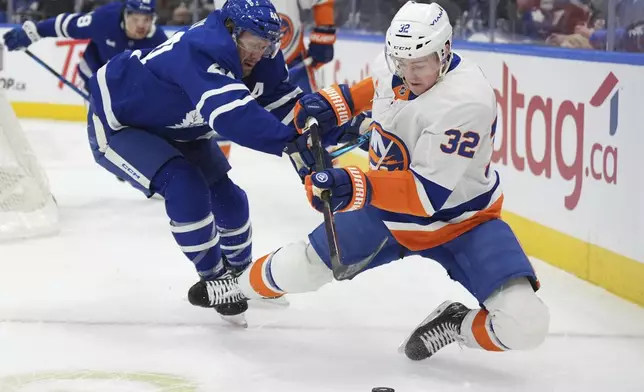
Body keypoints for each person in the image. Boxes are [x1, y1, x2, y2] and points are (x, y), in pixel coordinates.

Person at [188, 0, 550, 360]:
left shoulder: (466, 102)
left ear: (445, 51)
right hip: (387, 213)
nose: (408, 74)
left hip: (463, 222)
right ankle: (237, 287)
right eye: (401, 62)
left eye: (419, 63)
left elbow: (427, 196)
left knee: (526, 326)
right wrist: (330, 105)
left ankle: (454, 324)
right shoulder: (397, 65)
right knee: (304, 266)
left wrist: (353, 185)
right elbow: (368, 91)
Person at [84, 0, 342, 326]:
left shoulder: (260, 53)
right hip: (119, 126)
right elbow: (233, 118)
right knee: (185, 186)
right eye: (252, 44)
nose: (258, 54)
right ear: (231, 32)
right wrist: (291, 146)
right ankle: (216, 279)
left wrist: (317, 134)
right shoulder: (200, 50)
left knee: (230, 199)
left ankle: (241, 275)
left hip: (177, 125)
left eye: (266, 46)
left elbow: (282, 103)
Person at [3, 0, 168, 89]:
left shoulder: (158, 41)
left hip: (129, 88)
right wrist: (33, 32)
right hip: (94, 76)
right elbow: (67, 24)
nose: (141, 25)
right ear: (125, 15)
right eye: (136, 19)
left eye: (147, 19)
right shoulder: (104, 20)